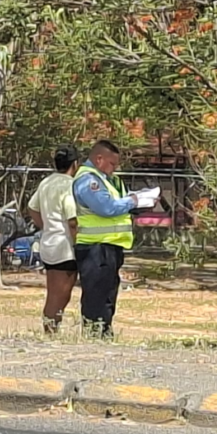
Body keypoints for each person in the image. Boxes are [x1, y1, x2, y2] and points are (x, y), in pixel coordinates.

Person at [72, 140, 152, 338]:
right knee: (96, 294)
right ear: (99, 159)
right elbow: (106, 208)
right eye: (112, 164)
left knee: (108, 294)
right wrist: (132, 200)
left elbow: (117, 204)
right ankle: (93, 334)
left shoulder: (106, 180)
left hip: (111, 246)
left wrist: (140, 202)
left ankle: (104, 332)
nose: (114, 169)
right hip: (95, 248)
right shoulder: (88, 180)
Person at [27, 145, 80, 333]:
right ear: (75, 164)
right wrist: (77, 244)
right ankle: (50, 331)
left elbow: (32, 207)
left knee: (54, 292)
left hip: (48, 243)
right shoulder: (69, 185)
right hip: (64, 247)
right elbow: (72, 220)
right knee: (60, 295)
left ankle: (51, 329)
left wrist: (46, 225)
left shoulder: (46, 182)